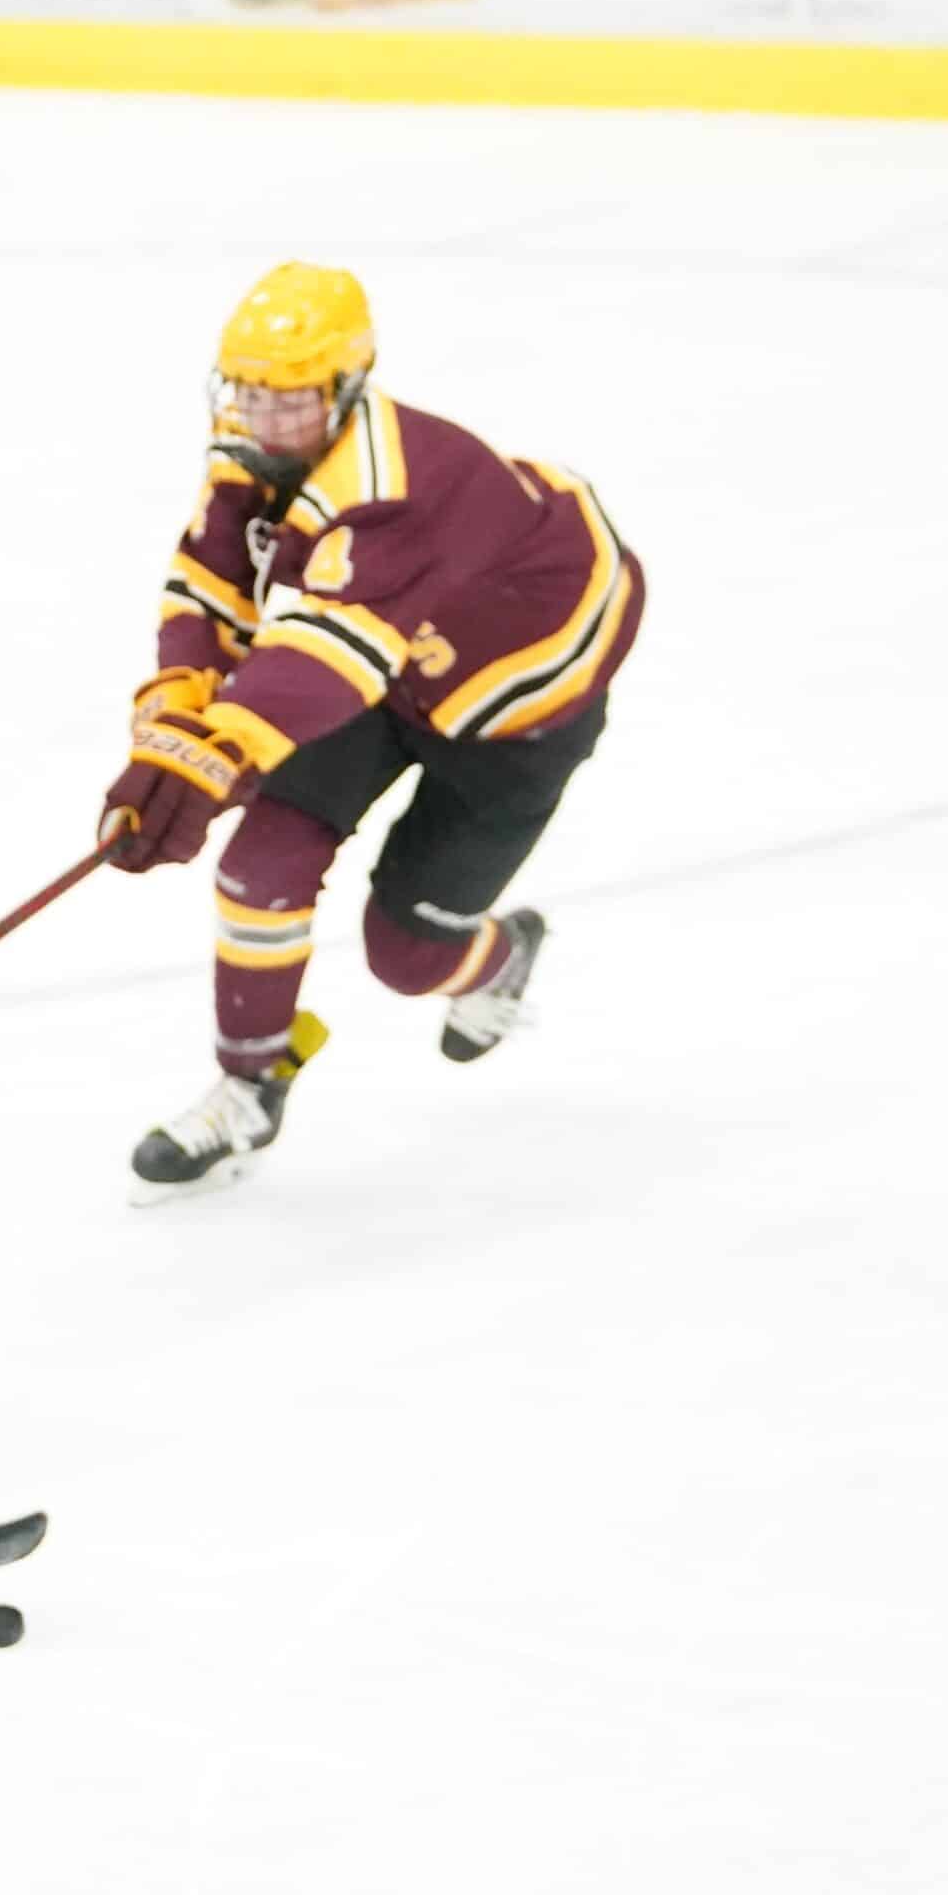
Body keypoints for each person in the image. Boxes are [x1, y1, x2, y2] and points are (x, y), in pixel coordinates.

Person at [100, 262, 644, 1199]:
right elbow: (211, 584)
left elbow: (326, 654)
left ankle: (501, 956)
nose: (263, 419)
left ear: (350, 385)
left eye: (290, 400)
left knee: (407, 955)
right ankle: (250, 1086)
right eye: (248, 393)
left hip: (512, 716)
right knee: (259, 870)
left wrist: (215, 752)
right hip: (389, 676)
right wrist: (171, 720)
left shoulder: (410, 484)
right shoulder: (254, 450)